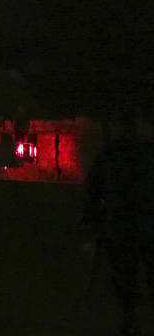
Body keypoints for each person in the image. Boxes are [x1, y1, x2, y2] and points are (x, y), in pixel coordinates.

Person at [84, 112, 154, 336]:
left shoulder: (112, 155)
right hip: (130, 222)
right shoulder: (116, 155)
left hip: (128, 222)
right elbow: (95, 189)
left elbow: (94, 190)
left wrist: (93, 217)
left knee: (127, 275)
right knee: (129, 274)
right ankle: (131, 317)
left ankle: (131, 317)